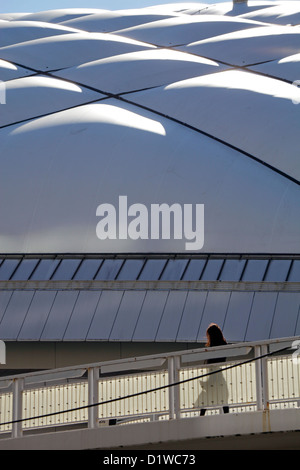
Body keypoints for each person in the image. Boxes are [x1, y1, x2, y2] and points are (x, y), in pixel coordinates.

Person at [199, 323, 229, 415]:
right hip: (219, 374)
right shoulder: (224, 344)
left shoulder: (212, 348)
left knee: (206, 397)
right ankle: (227, 416)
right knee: (223, 397)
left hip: (213, 374)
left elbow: (210, 363)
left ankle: (201, 416)